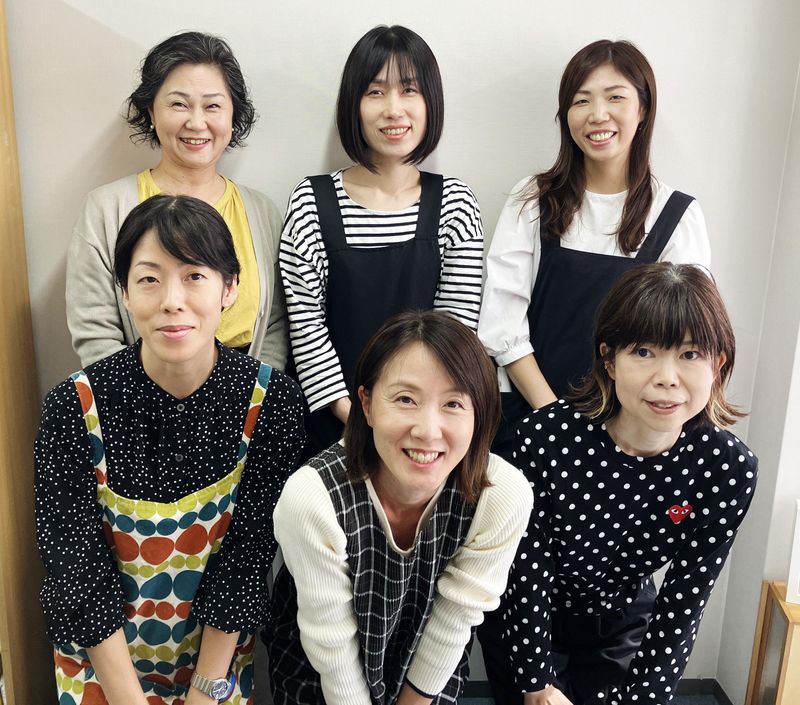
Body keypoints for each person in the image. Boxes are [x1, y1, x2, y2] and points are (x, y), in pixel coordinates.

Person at [36, 195, 304, 705]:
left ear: (230, 288)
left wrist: (204, 692)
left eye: (195, 276)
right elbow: (77, 570)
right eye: (149, 279)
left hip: (215, 665)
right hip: (99, 665)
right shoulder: (72, 406)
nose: (171, 301)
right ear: (124, 292)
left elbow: (246, 561)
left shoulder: (272, 402)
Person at [481, 263, 757, 705]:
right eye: (644, 352)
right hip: (528, 614)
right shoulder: (544, 439)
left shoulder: (727, 468)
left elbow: (684, 602)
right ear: (609, 359)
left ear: (717, 364)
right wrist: (537, 683)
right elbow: (526, 570)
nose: (667, 377)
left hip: (622, 618)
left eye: (690, 355)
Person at [268, 310, 533, 705]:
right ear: (367, 405)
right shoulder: (311, 498)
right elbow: (332, 649)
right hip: (320, 670)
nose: (427, 431)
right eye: (405, 399)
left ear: (479, 414)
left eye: (453, 404)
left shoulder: (501, 495)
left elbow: (454, 619)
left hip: (430, 661)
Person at [478, 40, 710, 455]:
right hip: (530, 418)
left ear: (643, 109)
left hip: (635, 434)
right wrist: (554, 420)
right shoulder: (532, 199)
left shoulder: (676, 215)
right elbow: (501, 325)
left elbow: (683, 340)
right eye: (581, 100)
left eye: (615, 97)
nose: (597, 114)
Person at [280, 25, 484, 456]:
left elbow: (456, 335)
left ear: (431, 102)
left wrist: (410, 421)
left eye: (409, 90)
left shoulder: (455, 203)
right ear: (353, 105)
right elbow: (306, 328)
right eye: (375, 92)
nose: (394, 109)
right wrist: (360, 418)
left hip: (425, 433)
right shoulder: (311, 201)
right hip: (334, 427)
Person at [67, 31, 288, 370]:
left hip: (246, 393)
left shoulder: (262, 213)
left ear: (233, 115)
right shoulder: (107, 209)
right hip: (137, 392)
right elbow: (96, 333)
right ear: (152, 112)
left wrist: (254, 395)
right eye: (179, 104)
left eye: (212, 106)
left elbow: (275, 326)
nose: (196, 123)